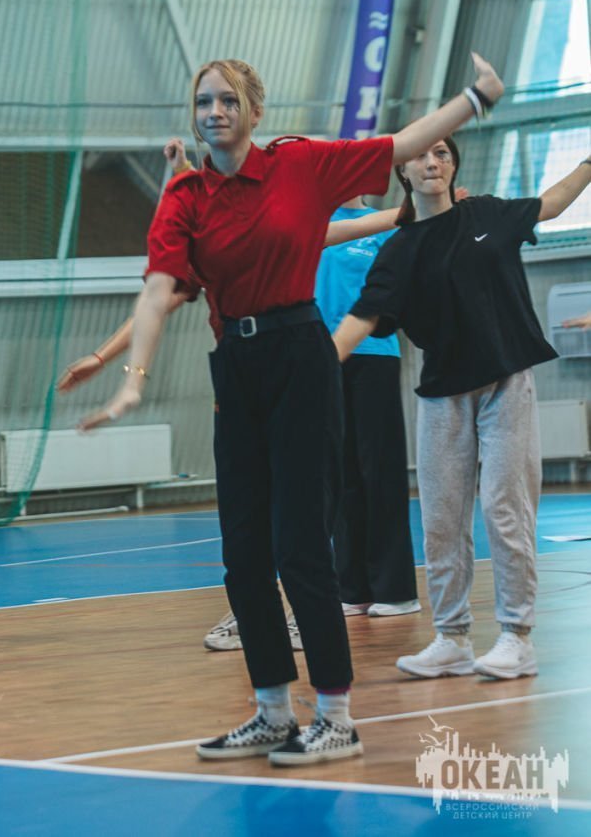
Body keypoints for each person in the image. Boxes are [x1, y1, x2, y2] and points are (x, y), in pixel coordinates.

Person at [82, 53, 505, 766]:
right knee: (243, 553)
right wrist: (132, 379)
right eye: (203, 102)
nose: (214, 112)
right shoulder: (187, 195)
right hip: (235, 364)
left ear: (254, 110)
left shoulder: (300, 165)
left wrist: (476, 97)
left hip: (299, 355)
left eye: (227, 100)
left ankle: (335, 715)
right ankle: (272, 709)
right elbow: (158, 289)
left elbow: (401, 144)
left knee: (301, 545)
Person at [56, 139, 402, 654]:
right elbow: (158, 301)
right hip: (244, 385)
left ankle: (309, 622)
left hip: (306, 374)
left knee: (308, 507)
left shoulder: (293, 225)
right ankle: (258, 615)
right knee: (249, 520)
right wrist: (103, 359)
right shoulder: (214, 240)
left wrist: (413, 208)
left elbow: (350, 227)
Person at [334, 134, 591, 681]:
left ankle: (517, 637)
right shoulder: (399, 249)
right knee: (441, 520)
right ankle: (450, 638)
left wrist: (589, 164)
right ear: (403, 173)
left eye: (443, 154)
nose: (432, 162)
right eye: (420, 156)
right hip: (442, 396)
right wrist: (317, 364)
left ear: (453, 164)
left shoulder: (488, 213)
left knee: (504, 507)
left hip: (506, 383)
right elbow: (365, 316)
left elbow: (551, 203)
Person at [317, 198, 419, 621]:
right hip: (322, 357)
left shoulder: (383, 224)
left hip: (374, 355)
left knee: (379, 469)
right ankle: (353, 588)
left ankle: (396, 590)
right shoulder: (313, 222)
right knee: (340, 473)